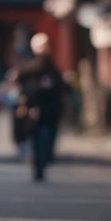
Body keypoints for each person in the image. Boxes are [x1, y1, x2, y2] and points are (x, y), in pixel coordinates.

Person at [17, 33, 66, 181]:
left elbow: (60, 90)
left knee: (47, 141)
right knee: (36, 141)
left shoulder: (53, 70)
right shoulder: (28, 69)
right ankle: (37, 166)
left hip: (50, 112)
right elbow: (24, 89)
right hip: (33, 112)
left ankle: (43, 164)